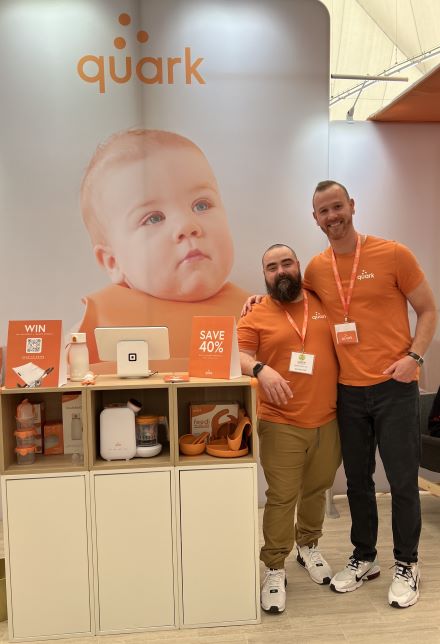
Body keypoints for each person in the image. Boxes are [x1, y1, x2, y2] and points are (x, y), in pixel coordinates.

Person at [242, 181, 437, 608]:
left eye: (337, 207)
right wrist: (261, 300)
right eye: (323, 211)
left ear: (351, 206)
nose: (332, 216)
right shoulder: (314, 268)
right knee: (359, 483)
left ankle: (407, 563)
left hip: (393, 387)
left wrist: (416, 358)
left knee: (403, 482)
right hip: (348, 393)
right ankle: (365, 556)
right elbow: (289, 300)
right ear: (315, 219)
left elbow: (427, 308)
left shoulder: (393, 254)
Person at [79, 128, 248, 372]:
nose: (187, 226)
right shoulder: (99, 320)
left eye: (201, 204)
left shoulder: (254, 313)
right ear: (113, 262)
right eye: (153, 218)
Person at [237, 244, 341, 614]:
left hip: (328, 419)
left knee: (317, 489)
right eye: (271, 267)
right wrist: (261, 369)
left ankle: (308, 546)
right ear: (264, 275)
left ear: (298, 267)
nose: (280, 271)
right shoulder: (255, 314)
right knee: (282, 497)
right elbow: (242, 356)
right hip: (281, 422)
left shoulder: (323, 302)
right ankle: (274, 567)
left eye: (286, 263)